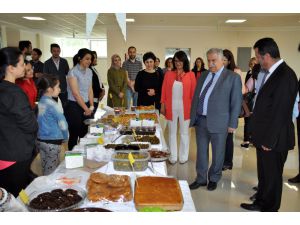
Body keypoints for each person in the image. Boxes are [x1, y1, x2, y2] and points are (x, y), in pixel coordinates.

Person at [240, 37, 298, 212]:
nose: (257, 61)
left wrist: (269, 140)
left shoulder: (285, 75)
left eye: (258, 57)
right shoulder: (273, 72)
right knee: (264, 175)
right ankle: (260, 202)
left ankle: (270, 210)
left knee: (272, 177)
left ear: (266, 56)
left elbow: (281, 112)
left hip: (274, 139)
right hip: (264, 135)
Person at [189, 48, 242, 191]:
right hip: (201, 120)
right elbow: (197, 97)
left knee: (218, 153)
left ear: (222, 60)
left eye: (214, 60)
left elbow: (236, 102)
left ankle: (214, 178)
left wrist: (232, 123)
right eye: (209, 60)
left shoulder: (232, 77)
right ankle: (200, 179)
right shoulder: (204, 75)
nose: (211, 63)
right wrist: (193, 116)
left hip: (220, 122)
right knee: (201, 152)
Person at [0, 47, 38, 197]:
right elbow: (30, 124)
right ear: (10, 68)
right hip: (15, 154)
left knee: (7, 196)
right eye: (22, 64)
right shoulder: (14, 92)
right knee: (18, 198)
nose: (25, 67)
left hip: (4, 151)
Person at [161, 51, 196, 164]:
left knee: (184, 132)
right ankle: (173, 156)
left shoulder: (190, 75)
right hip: (171, 107)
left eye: (180, 61)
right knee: (171, 132)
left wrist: (193, 108)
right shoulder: (168, 74)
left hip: (185, 108)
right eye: (175, 61)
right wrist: (163, 105)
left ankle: (183, 156)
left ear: (185, 61)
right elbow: (164, 91)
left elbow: (194, 93)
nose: (177, 63)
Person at [36, 74, 68, 175]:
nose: (59, 89)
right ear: (49, 89)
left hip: (41, 140)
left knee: (45, 168)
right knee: (53, 171)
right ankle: (51, 188)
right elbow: (63, 123)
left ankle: (45, 185)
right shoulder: (53, 104)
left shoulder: (40, 102)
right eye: (58, 87)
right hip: (53, 142)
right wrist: (65, 137)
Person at [65, 48, 94, 150]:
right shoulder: (72, 72)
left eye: (90, 59)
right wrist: (86, 109)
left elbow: (90, 90)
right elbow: (76, 94)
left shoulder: (90, 71)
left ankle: (83, 156)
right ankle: (72, 159)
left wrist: (91, 106)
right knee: (74, 134)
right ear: (79, 59)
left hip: (86, 105)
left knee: (84, 133)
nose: (89, 61)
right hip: (74, 106)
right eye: (87, 59)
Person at [222, 49, 243, 171]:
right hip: (221, 109)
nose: (223, 62)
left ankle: (228, 161)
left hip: (230, 108)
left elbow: (240, 92)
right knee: (222, 137)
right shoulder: (220, 72)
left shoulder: (236, 71)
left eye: (225, 59)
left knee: (229, 137)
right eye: (222, 59)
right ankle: (222, 160)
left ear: (230, 60)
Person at [43, 43, 70, 110]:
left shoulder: (64, 61)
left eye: (58, 51)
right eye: (54, 51)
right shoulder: (47, 63)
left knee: (66, 106)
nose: (56, 53)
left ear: (60, 51)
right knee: (53, 107)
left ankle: (65, 119)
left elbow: (68, 73)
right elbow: (45, 77)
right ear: (51, 51)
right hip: (53, 89)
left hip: (63, 88)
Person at [241, 57, 258, 148]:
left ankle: (247, 140)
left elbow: (246, 89)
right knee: (248, 119)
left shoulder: (256, 75)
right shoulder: (249, 73)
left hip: (252, 100)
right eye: (251, 64)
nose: (252, 65)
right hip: (249, 99)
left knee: (249, 120)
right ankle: (249, 138)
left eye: (254, 64)